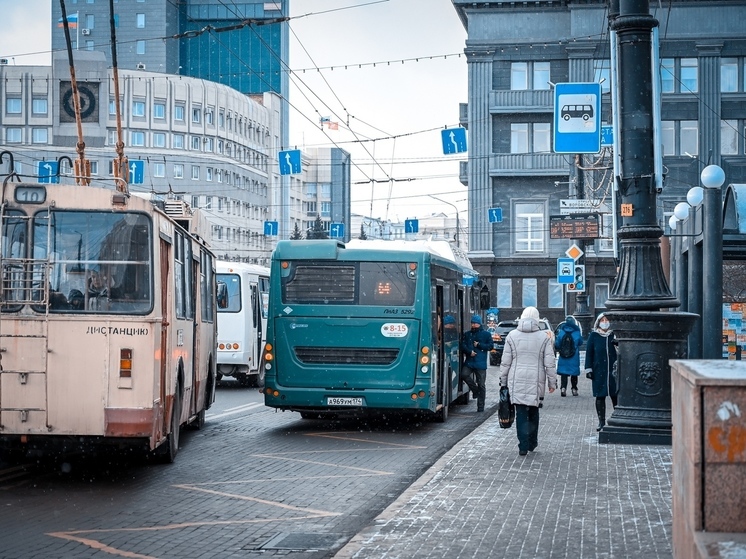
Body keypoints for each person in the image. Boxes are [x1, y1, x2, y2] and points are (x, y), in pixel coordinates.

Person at [499, 306, 557, 456]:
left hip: (516, 379)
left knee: (521, 413)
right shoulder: (544, 337)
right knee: (533, 411)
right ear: (537, 320)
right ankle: (532, 442)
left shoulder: (512, 336)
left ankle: (523, 446)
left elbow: (506, 362)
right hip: (536, 380)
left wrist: (503, 381)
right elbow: (549, 363)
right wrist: (552, 383)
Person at [584, 313, 618, 431]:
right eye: (602, 320)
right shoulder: (594, 336)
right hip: (599, 370)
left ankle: (617, 419)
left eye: (606, 320)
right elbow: (589, 353)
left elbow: (621, 351)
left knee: (615, 395)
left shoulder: (614, 335)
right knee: (600, 396)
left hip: (613, 371)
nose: (605, 322)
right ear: (598, 322)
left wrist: (617, 345)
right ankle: (601, 421)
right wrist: (589, 369)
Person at [459, 314, 494, 412]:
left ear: (479, 324)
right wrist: (469, 352)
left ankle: (481, 406)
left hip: (480, 363)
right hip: (470, 361)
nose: (473, 325)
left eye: (475, 324)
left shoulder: (486, 334)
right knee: (464, 374)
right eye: (472, 323)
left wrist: (479, 345)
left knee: (481, 384)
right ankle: (475, 391)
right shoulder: (467, 334)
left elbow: (490, 346)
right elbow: (463, 345)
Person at [554, 315, 583, 396]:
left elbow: (557, 344)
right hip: (574, 357)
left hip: (563, 356)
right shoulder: (577, 332)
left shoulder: (562, 332)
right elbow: (580, 342)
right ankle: (574, 389)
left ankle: (563, 388)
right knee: (574, 373)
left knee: (564, 373)